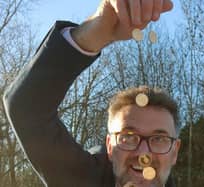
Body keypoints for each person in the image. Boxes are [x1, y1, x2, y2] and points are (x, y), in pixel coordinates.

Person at [2, 0, 181, 186]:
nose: (143, 154)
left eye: (159, 139)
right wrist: (94, 34)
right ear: (110, 147)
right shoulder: (84, 180)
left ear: (175, 151)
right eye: (128, 136)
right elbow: (27, 108)